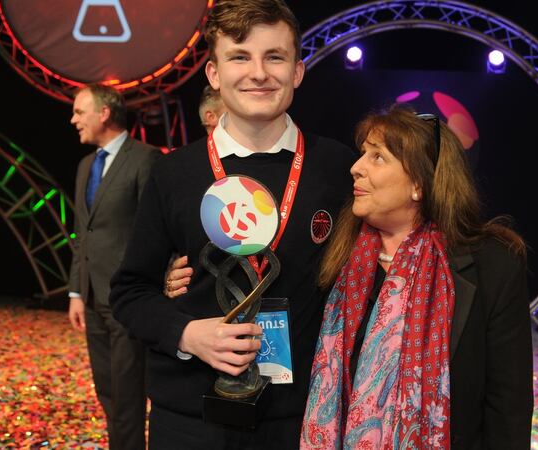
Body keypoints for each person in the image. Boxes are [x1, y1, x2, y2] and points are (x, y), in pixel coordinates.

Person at [166, 107, 534, 448]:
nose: (356, 167)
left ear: (419, 184)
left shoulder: (491, 265)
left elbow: (508, 404)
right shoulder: (336, 256)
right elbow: (255, 272)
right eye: (362, 154)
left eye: (378, 157)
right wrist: (178, 278)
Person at [107, 0, 355, 448]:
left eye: (274, 57)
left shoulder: (337, 168)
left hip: (304, 419)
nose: (258, 73)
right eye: (239, 57)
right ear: (214, 74)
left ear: (298, 71)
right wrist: (187, 333)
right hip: (190, 416)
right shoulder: (173, 172)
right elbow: (130, 292)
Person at [67, 84, 158, 450]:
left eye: (78, 111)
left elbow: (152, 234)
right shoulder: (86, 165)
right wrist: (76, 291)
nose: (73, 120)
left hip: (126, 299)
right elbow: (82, 232)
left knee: (127, 396)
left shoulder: (145, 158)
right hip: (91, 297)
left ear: (104, 113)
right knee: (107, 391)